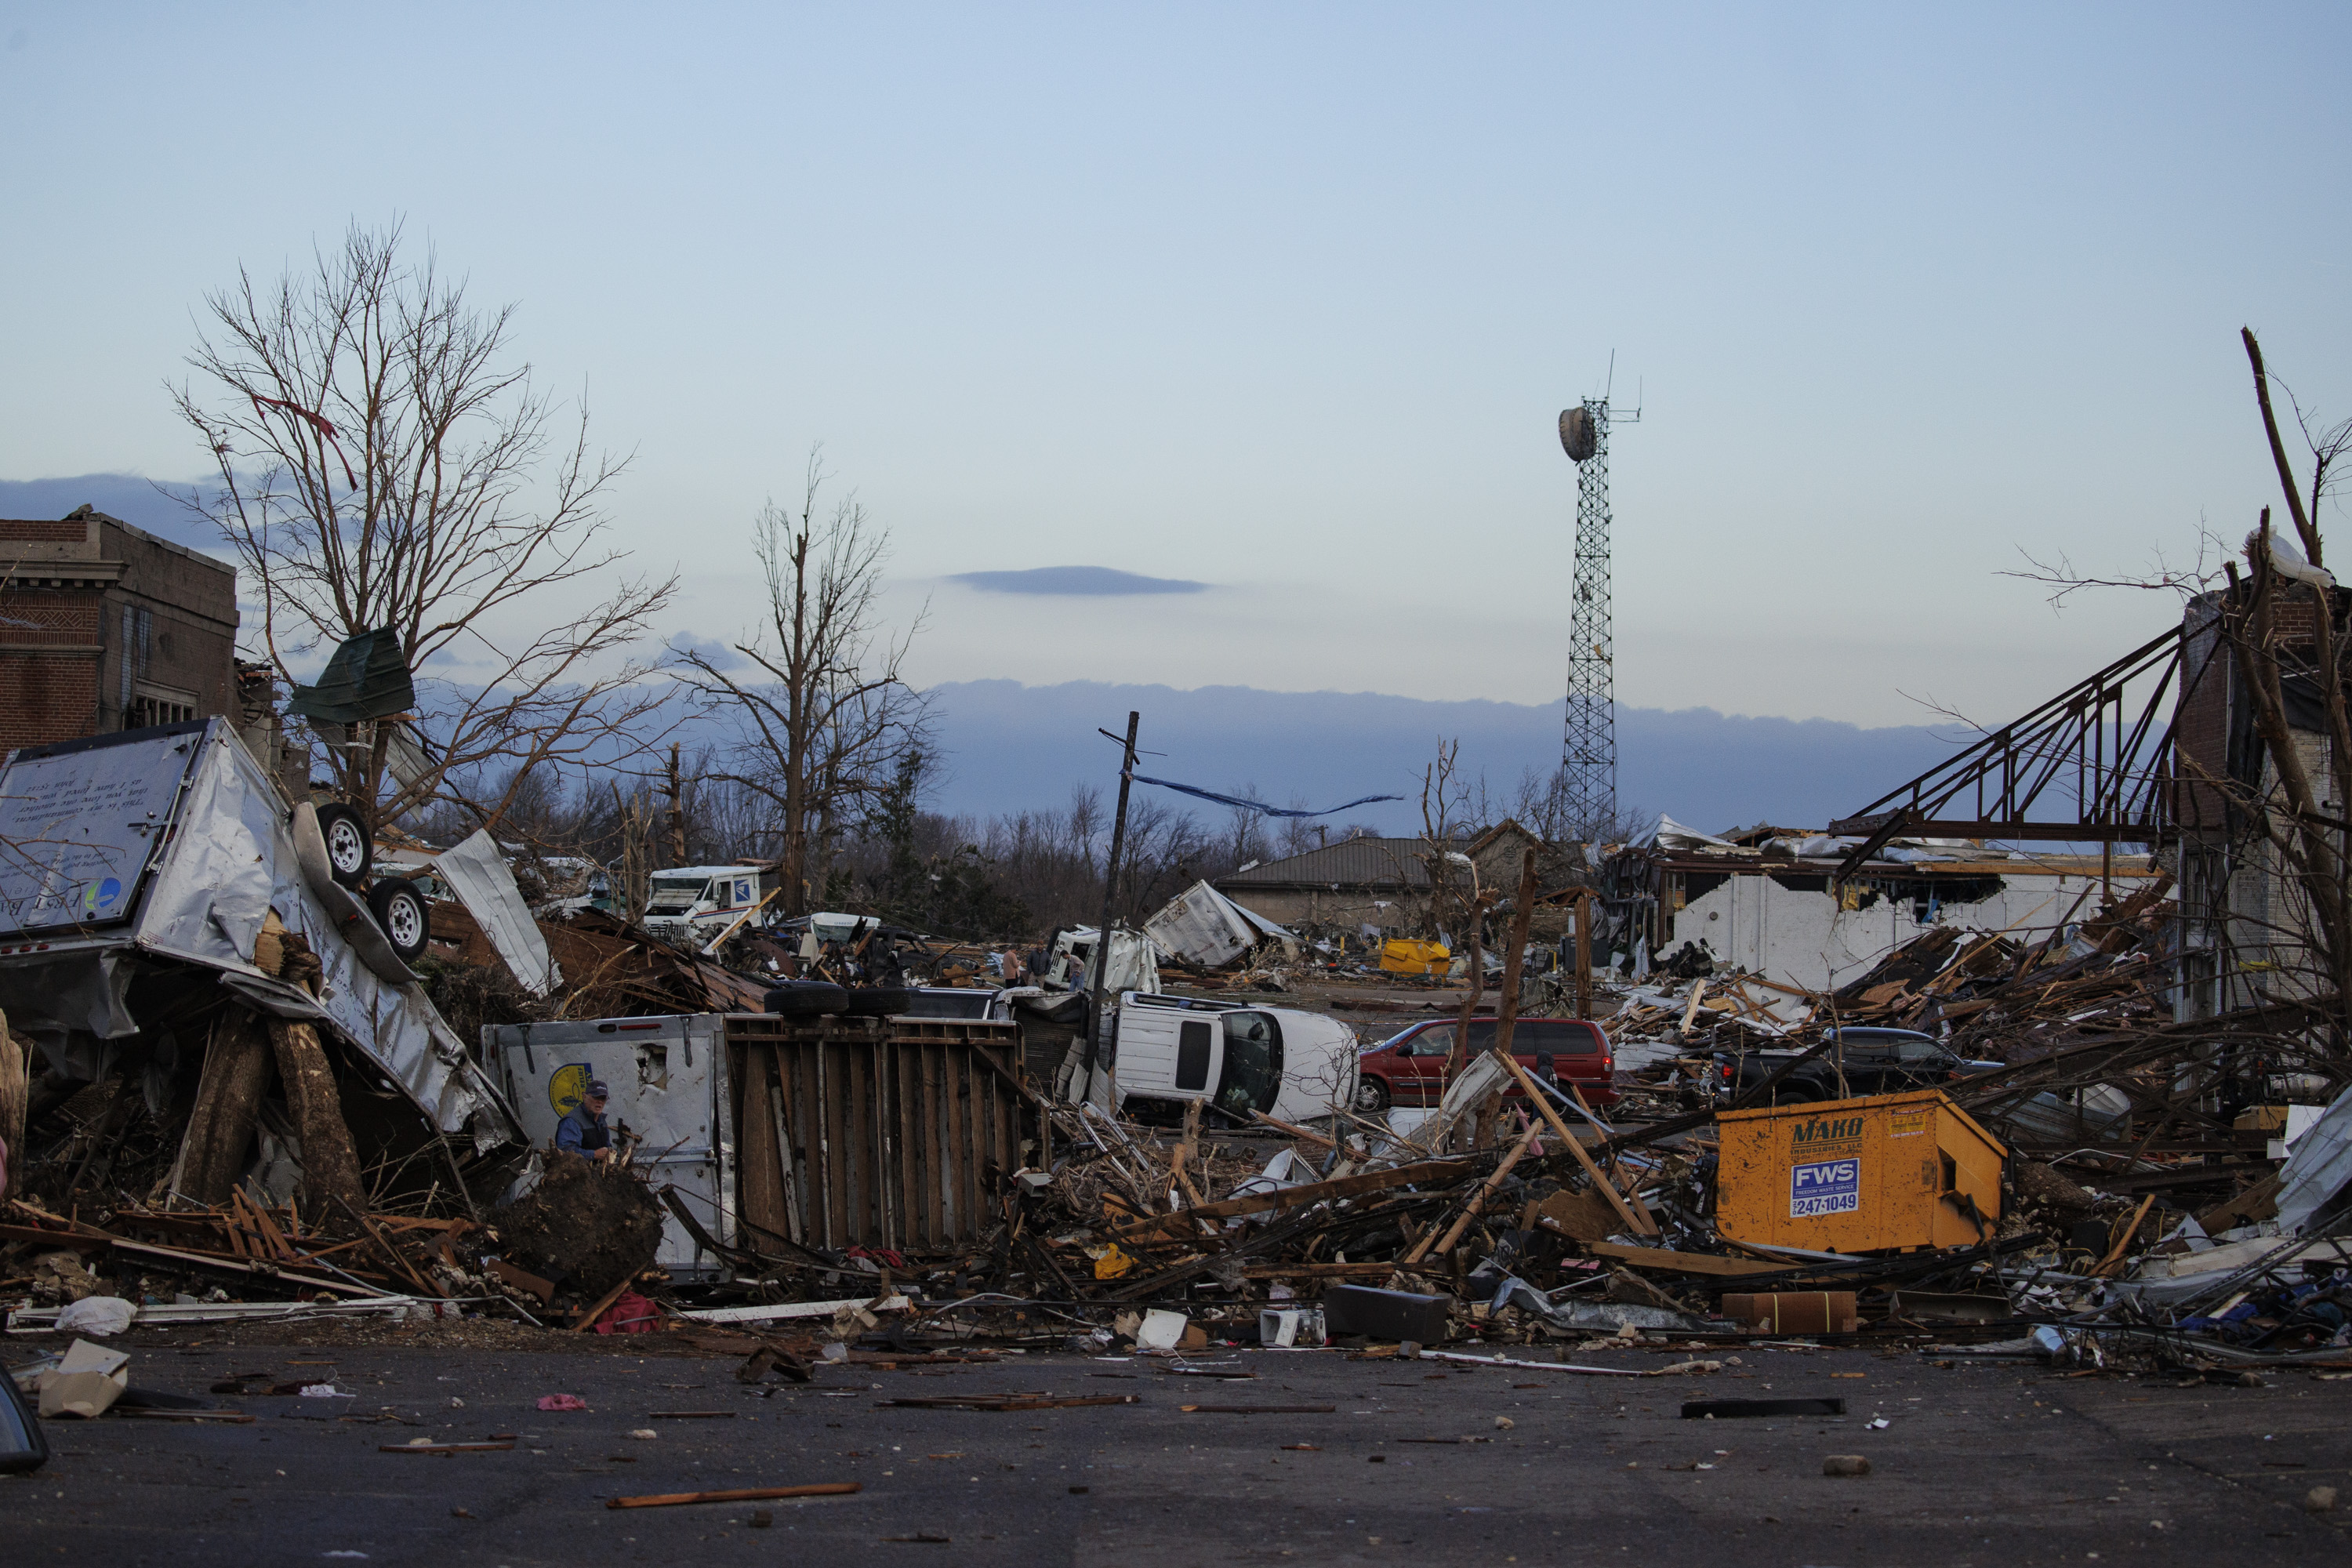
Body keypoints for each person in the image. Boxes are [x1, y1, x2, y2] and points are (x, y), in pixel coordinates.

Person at [557, 1080, 613, 1160]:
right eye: (596, 1097)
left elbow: (606, 1146)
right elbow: (565, 1151)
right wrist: (594, 1155)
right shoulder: (572, 1121)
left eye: (603, 1098)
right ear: (584, 1097)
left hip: (597, 1170)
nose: (600, 1101)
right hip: (576, 1171)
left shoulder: (601, 1120)